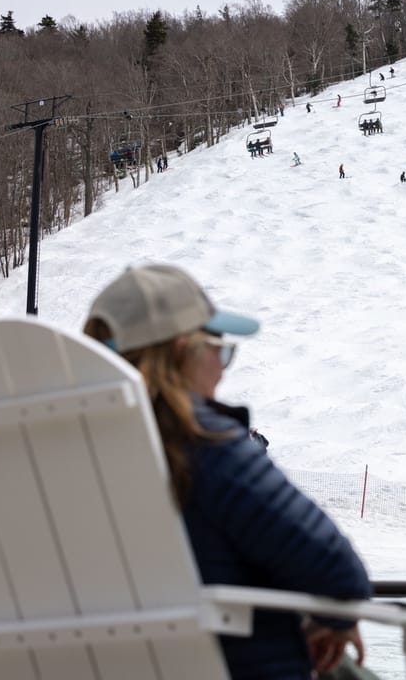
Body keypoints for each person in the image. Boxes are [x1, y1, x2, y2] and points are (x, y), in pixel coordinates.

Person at [81, 265, 376, 680]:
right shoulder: (204, 445)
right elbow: (341, 575)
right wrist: (333, 619)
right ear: (182, 352)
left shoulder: (45, 457)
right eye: (218, 351)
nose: (222, 369)